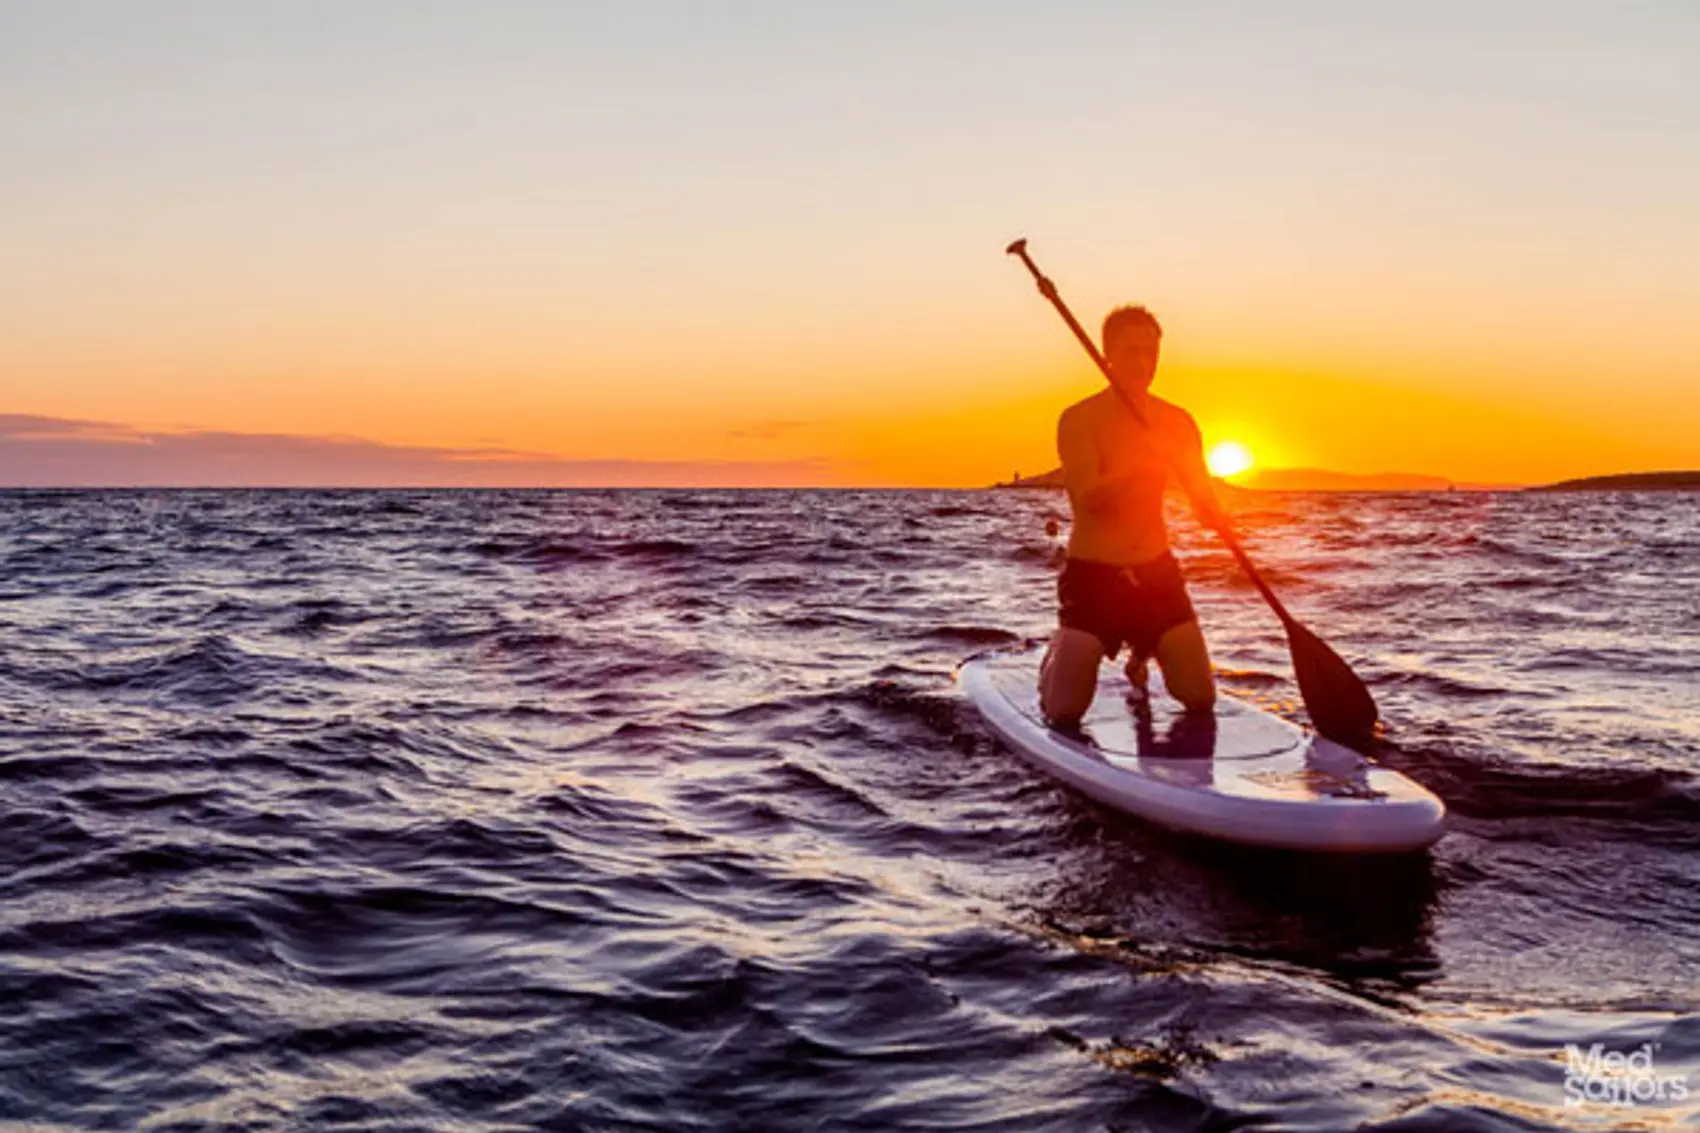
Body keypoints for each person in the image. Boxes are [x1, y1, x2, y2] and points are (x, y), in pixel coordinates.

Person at [1038, 305, 1231, 728]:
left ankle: (1142, 652)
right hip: (1093, 579)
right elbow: (1088, 499)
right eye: (1130, 352)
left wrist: (1215, 514)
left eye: (1151, 352)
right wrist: (1144, 461)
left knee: (1199, 698)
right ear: (1107, 356)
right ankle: (1056, 656)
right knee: (1064, 711)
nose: (1143, 364)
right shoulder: (1078, 419)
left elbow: (1203, 498)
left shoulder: (1177, 422)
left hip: (1156, 575)